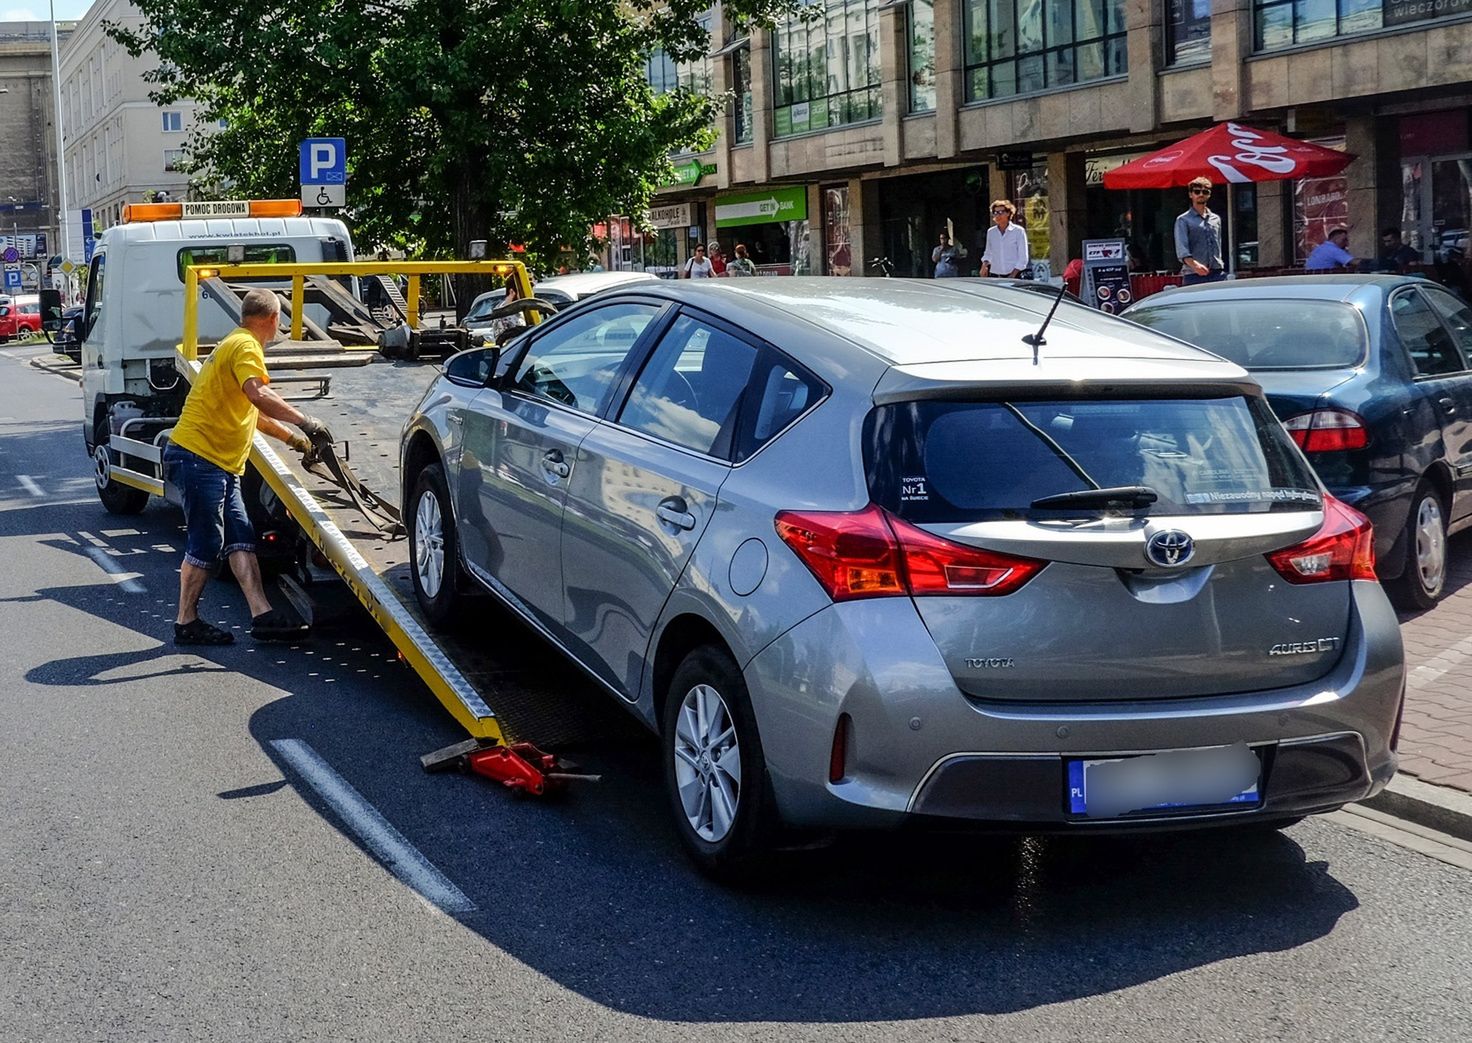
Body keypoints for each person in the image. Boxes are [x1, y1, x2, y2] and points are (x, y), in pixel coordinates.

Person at [163, 288, 326, 646]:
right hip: (199, 457)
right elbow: (259, 395)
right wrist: (306, 422)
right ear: (273, 319)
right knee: (207, 542)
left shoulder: (233, 343)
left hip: (219, 464)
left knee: (240, 538)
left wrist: (295, 441)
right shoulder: (247, 347)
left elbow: (252, 414)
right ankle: (185, 622)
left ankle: (261, 614)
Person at [1174, 177, 1225, 284]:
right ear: (1190, 194)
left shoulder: (1216, 219)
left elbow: (1218, 245)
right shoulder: (1183, 220)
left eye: (1205, 192)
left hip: (1217, 273)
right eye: (1197, 191)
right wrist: (1195, 266)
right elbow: (1182, 250)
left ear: (1209, 195)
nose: (1201, 194)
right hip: (1193, 274)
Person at [981, 200, 1029, 278]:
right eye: (995, 213)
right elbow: (988, 253)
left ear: (1008, 213)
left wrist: (1013, 275)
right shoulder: (991, 232)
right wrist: (984, 266)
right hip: (995, 275)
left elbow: (1023, 257)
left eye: (1001, 212)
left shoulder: (1018, 231)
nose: (998, 216)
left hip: (1015, 275)